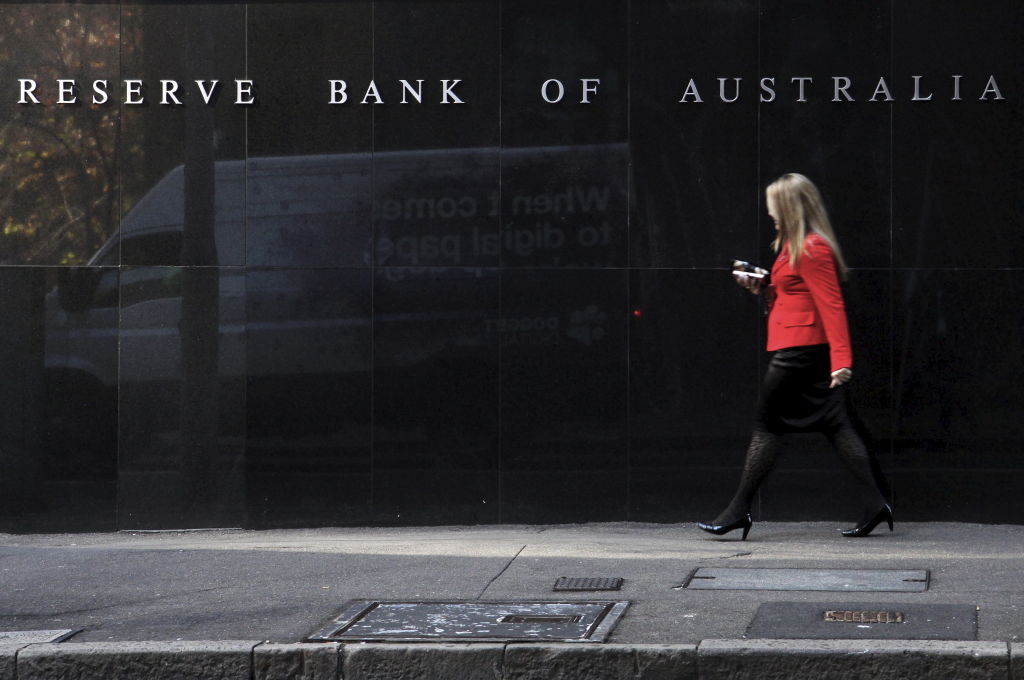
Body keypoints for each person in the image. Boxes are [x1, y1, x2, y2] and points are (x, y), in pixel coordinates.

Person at [698, 173, 892, 540]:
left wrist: (843, 361)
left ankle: (738, 510)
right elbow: (792, 296)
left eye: (773, 204)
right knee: (836, 423)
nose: (769, 212)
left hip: (800, 350)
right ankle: (875, 503)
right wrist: (762, 286)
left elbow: (832, 306)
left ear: (788, 205)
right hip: (800, 344)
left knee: (767, 424)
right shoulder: (791, 246)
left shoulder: (812, 247)